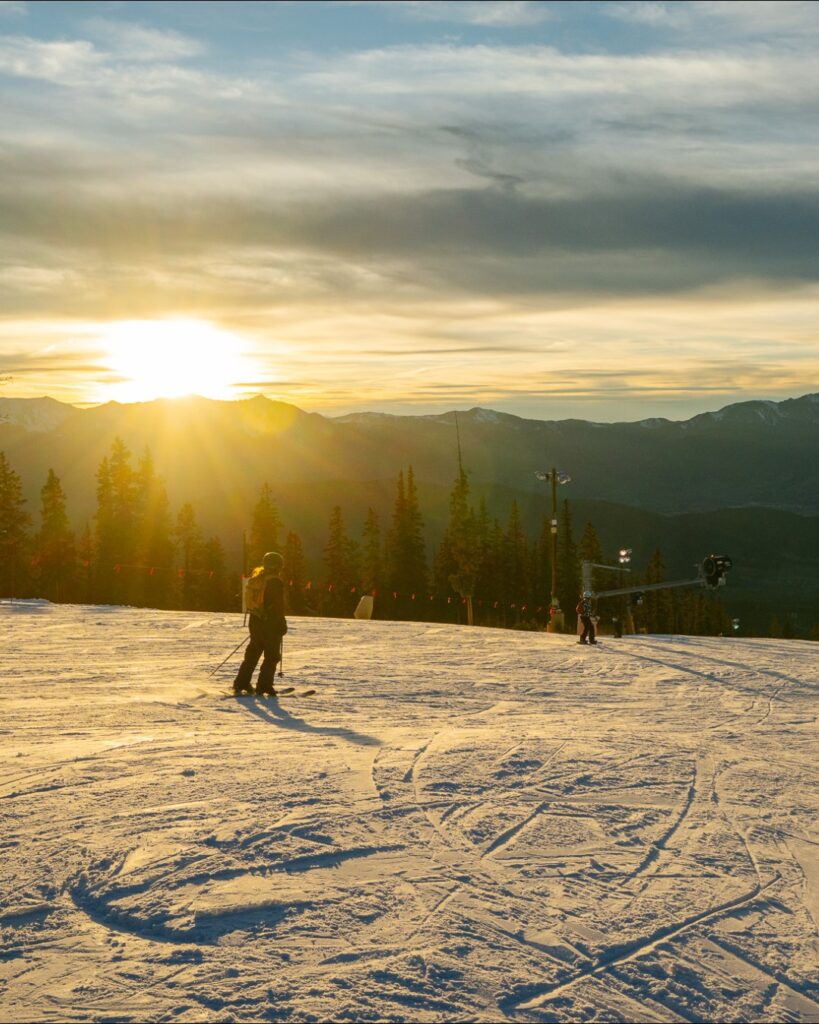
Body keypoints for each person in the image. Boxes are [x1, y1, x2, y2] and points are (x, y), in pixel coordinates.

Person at [233, 551, 288, 695]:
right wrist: (281, 624)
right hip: (270, 623)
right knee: (272, 656)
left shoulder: (258, 579)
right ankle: (264, 685)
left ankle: (241, 683)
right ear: (278, 566)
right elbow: (277, 605)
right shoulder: (275, 581)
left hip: (255, 620)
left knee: (253, 652)